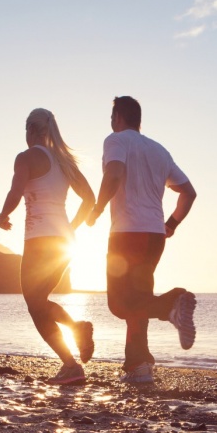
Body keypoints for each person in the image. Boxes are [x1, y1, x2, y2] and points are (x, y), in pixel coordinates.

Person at [86, 96, 197, 384]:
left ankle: (171, 306)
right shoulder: (159, 150)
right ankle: (139, 365)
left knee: (119, 304)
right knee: (138, 298)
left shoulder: (116, 140)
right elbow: (188, 193)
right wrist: (170, 224)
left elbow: (114, 173)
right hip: (155, 235)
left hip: (127, 233)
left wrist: (97, 209)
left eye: (112, 117)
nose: (111, 122)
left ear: (119, 117)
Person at [0, 108, 96, 385]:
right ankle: (75, 338)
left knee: (34, 304)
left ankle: (71, 363)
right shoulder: (64, 162)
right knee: (38, 302)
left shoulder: (26, 158)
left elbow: (15, 191)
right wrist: (71, 228)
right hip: (64, 243)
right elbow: (90, 199)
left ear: (31, 129)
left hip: (38, 242)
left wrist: (3, 215)